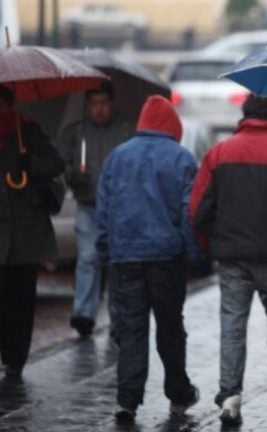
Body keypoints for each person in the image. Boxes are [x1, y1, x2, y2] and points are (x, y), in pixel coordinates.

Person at [189, 95, 267, 425]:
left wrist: (210, 244)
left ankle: (230, 394)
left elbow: (198, 210)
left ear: (245, 115)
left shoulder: (218, 154)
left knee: (232, 326)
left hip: (232, 257)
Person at [96, 95, 200, 423]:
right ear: (172, 127)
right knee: (170, 328)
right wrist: (192, 250)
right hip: (167, 257)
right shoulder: (182, 159)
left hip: (125, 257)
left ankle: (127, 400)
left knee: (131, 330)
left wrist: (104, 247)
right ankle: (179, 393)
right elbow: (189, 211)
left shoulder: (117, 157)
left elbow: (104, 208)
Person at [56, 80, 133, 337]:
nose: (99, 109)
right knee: (88, 258)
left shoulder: (125, 131)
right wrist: (73, 175)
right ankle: (84, 313)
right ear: (87, 105)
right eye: (94, 103)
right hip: (88, 206)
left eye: (104, 103)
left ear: (111, 104)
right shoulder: (76, 133)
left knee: (115, 263)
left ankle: (117, 316)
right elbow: (59, 166)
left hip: (119, 210)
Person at [0, 86, 65, 378]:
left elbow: (56, 164)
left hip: (26, 230)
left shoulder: (28, 131)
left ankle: (16, 357)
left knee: (22, 297)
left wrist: (32, 165)